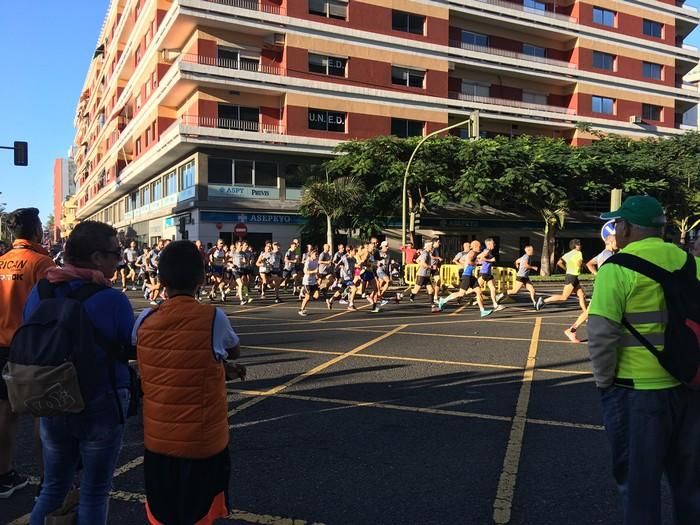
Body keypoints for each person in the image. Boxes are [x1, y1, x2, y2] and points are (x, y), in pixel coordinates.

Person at [587, 196, 700, 524]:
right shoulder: (693, 263)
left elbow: (601, 335)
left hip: (637, 392)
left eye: (617, 222)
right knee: (690, 485)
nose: (615, 228)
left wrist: (603, 383)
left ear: (627, 227)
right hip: (691, 386)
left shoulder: (616, 269)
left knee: (640, 487)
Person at [28, 221, 135, 525]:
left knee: (52, 487)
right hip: (99, 398)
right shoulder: (112, 299)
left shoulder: (42, 290)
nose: (120, 259)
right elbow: (131, 344)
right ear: (97, 257)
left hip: (52, 396)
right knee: (94, 492)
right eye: (116, 253)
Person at [133, 241, 245, 525]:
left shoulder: (144, 319)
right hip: (202, 443)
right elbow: (233, 350)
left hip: (157, 441)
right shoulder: (214, 318)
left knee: (163, 513)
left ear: (160, 280)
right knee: (198, 514)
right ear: (202, 278)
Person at [0, 208, 54, 499]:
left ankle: (4, 474)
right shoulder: (42, 262)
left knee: (4, 412)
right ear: (36, 232)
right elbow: (50, 306)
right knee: (40, 414)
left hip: (1, 344)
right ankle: (48, 481)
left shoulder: (0, 262)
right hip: (31, 345)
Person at [564, 234, 618, 343]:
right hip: (605, 287)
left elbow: (589, 264)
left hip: (603, 286)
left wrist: (596, 274)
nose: (618, 243)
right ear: (611, 242)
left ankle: (572, 330)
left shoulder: (603, 254)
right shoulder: (607, 255)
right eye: (617, 241)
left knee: (591, 311)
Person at [438, 240, 492, 317]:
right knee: (461, 293)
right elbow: (468, 261)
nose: (480, 248)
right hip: (467, 275)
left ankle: (482, 311)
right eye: (479, 246)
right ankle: (443, 300)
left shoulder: (475, 253)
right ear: (475, 246)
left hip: (471, 276)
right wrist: (476, 263)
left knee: (479, 292)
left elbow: (480, 255)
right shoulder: (472, 253)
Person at [538, 239, 586, 311]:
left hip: (572, 276)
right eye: (579, 244)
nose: (580, 246)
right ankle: (543, 301)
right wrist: (582, 264)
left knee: (581, 294)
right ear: (575, 246)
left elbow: (559, 262)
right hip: (572, 277)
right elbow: (579, 263)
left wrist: (566, 269)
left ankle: (585, 313)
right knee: (564, 297)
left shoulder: (568, 254)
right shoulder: (578, 253)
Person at [477, 238, 505, 312]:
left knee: (493, 289)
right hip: (484, 272)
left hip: (488, 273)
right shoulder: (487, 250)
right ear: (489, 244)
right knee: (475, 288)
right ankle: (460, 295)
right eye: (493, 243)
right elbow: (481, 258)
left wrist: (481, 260)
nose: (494, 245)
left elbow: (479, 257)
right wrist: (491, 260)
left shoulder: (488, 251)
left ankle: (495, 305)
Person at [299, 248, 320, 316]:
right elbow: (305, 271)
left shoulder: (316, 261)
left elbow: (317, 271)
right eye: (315, 254)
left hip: (313, 281)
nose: (317, 255)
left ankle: (304, 294)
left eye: (317, 254)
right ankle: (301, 309)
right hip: (307, 282)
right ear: (311, 255)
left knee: (317, 296)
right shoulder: (308, 262)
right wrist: (314, 271)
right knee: (307, 297)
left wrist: (318, 277)